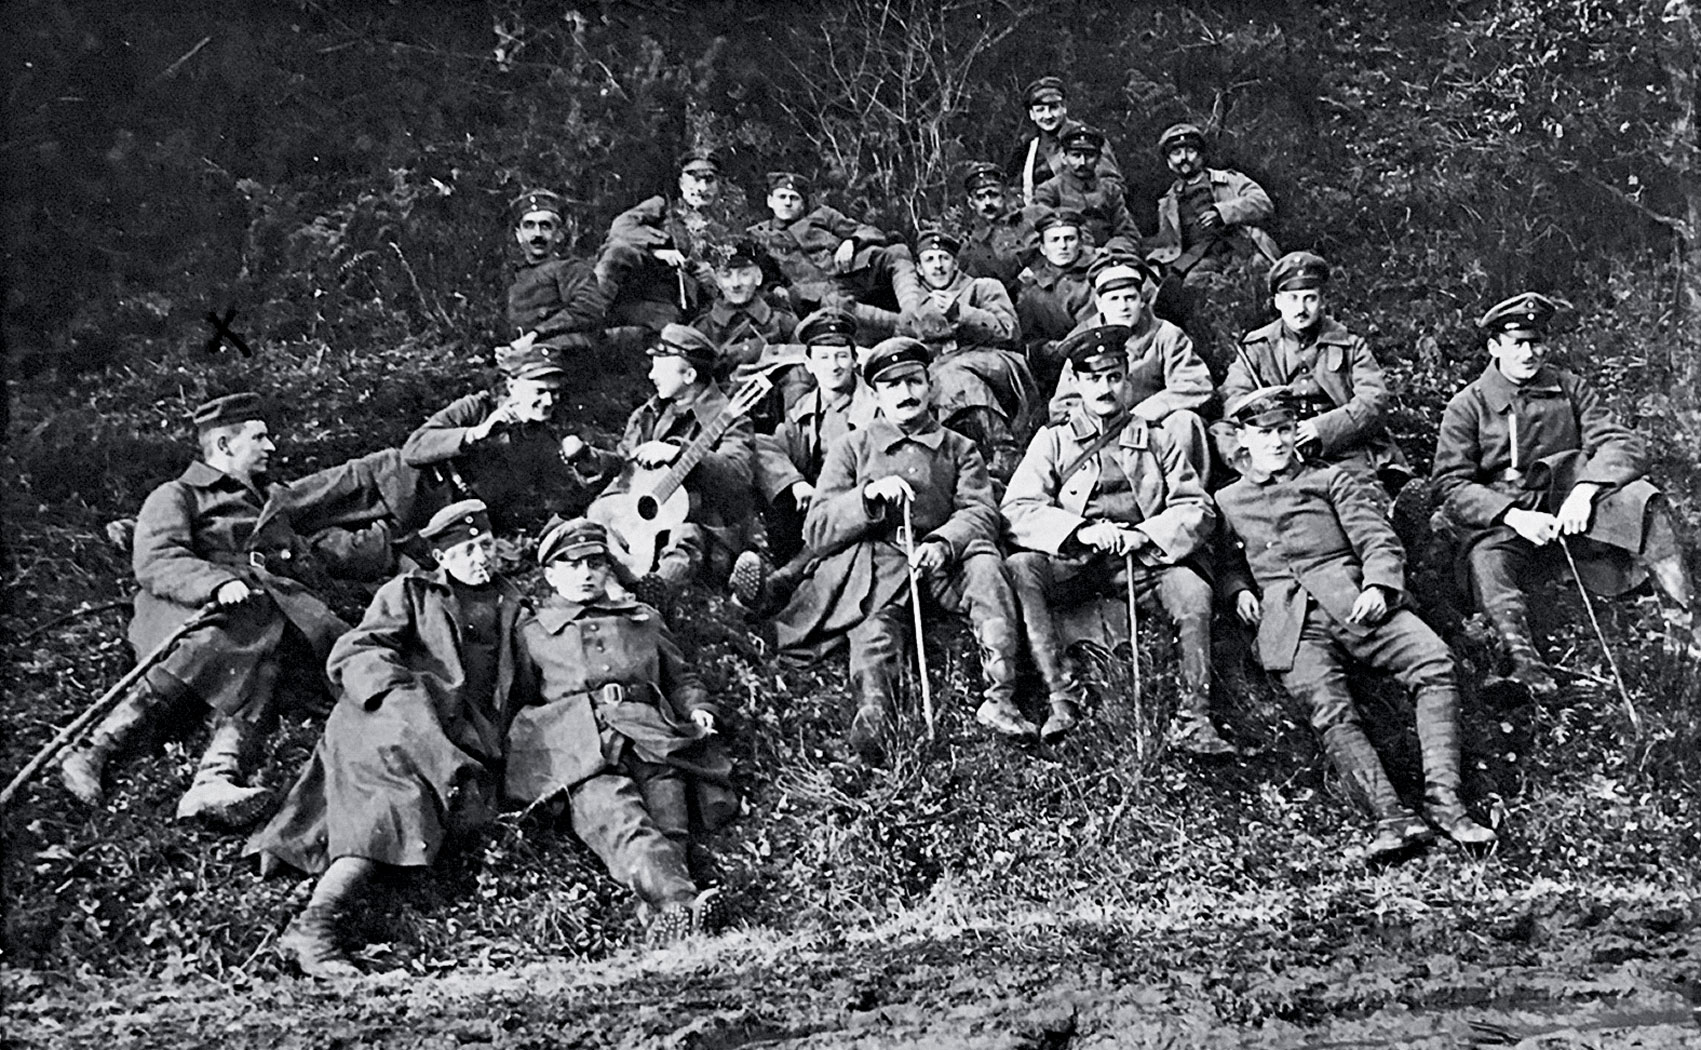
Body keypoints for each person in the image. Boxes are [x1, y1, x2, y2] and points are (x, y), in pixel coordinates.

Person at [250, 499, 535, 978]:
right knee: (394, 795)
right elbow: (358, 648)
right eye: (466, 551)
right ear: (441, 558)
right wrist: (399, 694)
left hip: (460, 735)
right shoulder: (410, 592)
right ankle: (316, 929)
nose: (480, 558)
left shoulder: (516, 607)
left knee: (429, 802)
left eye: (486, 545)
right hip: (388, 716)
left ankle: (317, 918)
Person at [1216, 388, 1497, 859]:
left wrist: (1379, 586)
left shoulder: (1332, 479)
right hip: (1290, 623)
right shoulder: (1228, 500)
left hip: (1354, 601)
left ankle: (1446, 802)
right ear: (1243, 438)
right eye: (1264, 434)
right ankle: (1390, 818)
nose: (1277, 442)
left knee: (1433, 662)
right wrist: (1238, 590)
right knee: (1328, 708)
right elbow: (1226, 562)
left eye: (1284, 430)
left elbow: (1377, 539)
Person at [60, 393, 350, 828]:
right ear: (225, 444)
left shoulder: (270, 502)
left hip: (263, 611)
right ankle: (94, 747)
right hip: (189, 609)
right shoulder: (177, 494)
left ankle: (213, 781)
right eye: (259, 437)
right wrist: (217, 583)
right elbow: (158, 558)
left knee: (268, 663)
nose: (271, 447)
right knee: (224, 640)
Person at [774, 338, 1034, 761]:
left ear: (930, 386)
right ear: (875, 395)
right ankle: (874, 714)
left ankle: (1000, 698)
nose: (905, 393)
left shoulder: (959, 448)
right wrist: (867, 497)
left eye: (913, 381)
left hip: (946, 563)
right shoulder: (852, 448)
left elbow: (980, 512)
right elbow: (817, 528)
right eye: (891, 386)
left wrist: (943, 543)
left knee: (987, 568)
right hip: (882, 561)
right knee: (875, 627)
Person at [1431, 292, 1701, 696]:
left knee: (1645, 502)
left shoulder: (1570, 388)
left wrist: (1585, 490)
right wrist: (1513, 516)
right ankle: (1526, 665)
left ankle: (1687, 628)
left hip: (1570, 502)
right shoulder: (1467, 405)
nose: (1529, 353)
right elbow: (1450, 484)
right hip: (1508, 516)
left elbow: (1621, 442)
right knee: (1486, 561)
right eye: (1518, 343)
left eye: (1537, 342)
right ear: (1494, 347)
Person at [1002, 327, 1232, 753]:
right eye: (1094, 379)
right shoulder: (1054, 439)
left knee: (1193, 590)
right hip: (1076, 563)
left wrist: (1145, 534)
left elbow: (1197, 508)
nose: (1105, 388)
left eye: (1113, 377)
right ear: (1077, 382)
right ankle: (1062, 697)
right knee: (1020, 568)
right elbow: (1017, 508)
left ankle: (1194, 718)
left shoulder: (1158, 437)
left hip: (1143, 563)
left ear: (1127, 380)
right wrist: (1080, 531)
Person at [514, 518, 736, 946]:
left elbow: (681, 677)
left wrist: (699, 709)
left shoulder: (642, 618)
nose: (585, 574)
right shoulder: (533, 632)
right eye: (571, 565)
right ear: (551, 575)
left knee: (671, 828)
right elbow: (515, 698)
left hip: (653, 738)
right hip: (582, 750)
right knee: (625, 826)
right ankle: (682, 905)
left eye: (595, 563)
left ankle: (665, 922)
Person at [564, 325, 756, 593]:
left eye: (660, 368)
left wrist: (679, 453)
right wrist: (591, 459)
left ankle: (657, 593)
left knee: (685, 536)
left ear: (689, 375)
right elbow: (626, 465)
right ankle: (607, 582)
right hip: (644, 526)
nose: (651, 375)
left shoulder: (731, 418)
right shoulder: (650, 412)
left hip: (707, 534)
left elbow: (738, 475)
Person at [1215, 251, 1410, 492]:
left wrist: (1321, 428)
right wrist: (1270, 421)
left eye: (1310, 298)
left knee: (1356, 492)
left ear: (1322, 301)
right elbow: (1234, 397)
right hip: (1277, 440)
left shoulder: (1349, 345)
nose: (1301, 309)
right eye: (1292, 298)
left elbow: (1373, 400)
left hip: (1338, 445)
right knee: (1245, 462)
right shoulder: (1257, 347)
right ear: (1277, 302)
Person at [743, 306, 880, 610]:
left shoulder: (876, 408)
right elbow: (768, 446)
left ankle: (778, 585)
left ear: (855, 359)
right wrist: (794, 482)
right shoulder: (805, 407)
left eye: (841, 356)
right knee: (753, 457)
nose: (834, 366)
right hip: (811, 509)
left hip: (856, 509)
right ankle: (760, 562)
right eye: (824, 357)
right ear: (808, 364)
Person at [1049, 260, 1215, 478]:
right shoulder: (1084, 340)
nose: (1123, 307)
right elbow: (1064, 404)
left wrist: (1151, 409)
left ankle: (1185, 491)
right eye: (1114, 299)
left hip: (1154, 427)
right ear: (1099, 303)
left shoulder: (1166, 334)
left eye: (1130, 298)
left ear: (1142, 300)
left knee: (1185, 421)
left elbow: (1195, 383)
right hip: (1104, 431)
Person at [400, 341, 582, 533]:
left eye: (554, 392)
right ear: (512, 386)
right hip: (410, 505)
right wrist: (475, 433)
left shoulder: (542, 437)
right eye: (540, 391)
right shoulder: (477, 408)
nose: (549, 401)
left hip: (463, 527)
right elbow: (413, 449)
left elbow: (556, 493)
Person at [902, 232, 1036, 487]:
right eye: (930, 260)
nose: (938, 266)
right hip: (943, 373)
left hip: (994, 364)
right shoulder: (915, 306)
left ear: (955, 263)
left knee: (954, 375)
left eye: (944, 258)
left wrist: (960, 312)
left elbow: (1009, 331)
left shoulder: (983, 287)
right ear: (919, 269)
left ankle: (1002, 450)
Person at [745, 171, 926, 338]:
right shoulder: (758, 235)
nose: (787, 203)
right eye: (782, 197)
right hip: (817, 295)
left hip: (852, 273)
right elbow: (762, 277)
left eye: (794, 198)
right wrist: (777, 288)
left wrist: (851, 241)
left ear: (803, 203)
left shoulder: (822, 215)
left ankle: (914, 311)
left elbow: (870, 232)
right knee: (834, 303)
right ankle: (907, 324)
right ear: (770, 201)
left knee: (897, 252)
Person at [597, 149, 740, 332]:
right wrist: (657, 251)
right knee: (618, 251)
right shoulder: (662, 207)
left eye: (709, 180)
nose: (702, 188)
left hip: (673, 306)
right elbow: (621, 227)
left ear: (717, 186)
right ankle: (590, 310)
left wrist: (712, 279)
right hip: (639, 287)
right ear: (681, 183)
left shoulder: (719, 234)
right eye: (695, 179)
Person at [691, 236, 805, 424]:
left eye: (744, 274)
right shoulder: (702, 330)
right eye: (726, 275)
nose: (735, 284)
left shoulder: (783, 322)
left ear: (758, 277)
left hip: (781, 419)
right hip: (725, 423)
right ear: (717, 280)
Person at [1146, 122, 1278, 282]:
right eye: (1176, 153)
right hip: (1202, 258)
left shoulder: (1229, 180)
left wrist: (1222, 213)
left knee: (1260, 271)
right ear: (1169, 162)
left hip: (1242, 249)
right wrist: (1155, 263)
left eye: (1190, 151)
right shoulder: (1168, 204)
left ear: (1201, 155)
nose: (1184, 158)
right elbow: (1167, 245)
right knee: (1191, 283)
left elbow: (1263, 203)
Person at [505, 188, 608, 354]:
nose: (537, 234)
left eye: (545, 226)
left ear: (559, 234)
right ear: (519, 235)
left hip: (568, 355)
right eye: (529, 226)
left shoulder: (571, 268)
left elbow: (587, 309)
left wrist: (535, 335)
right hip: (527, 356)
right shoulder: (515, 278)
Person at [1017, 208, 1098, 394]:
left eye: (1069, 239)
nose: (1063, 246)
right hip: (1059, 372)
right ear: (1043, 248)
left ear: (1080, 243)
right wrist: (1047, 348)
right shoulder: (1033, 290)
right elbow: (1028, 340)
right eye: (1054, 240)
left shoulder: (1099, 275)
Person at [1007, 76, 1123, 206]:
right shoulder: (1027, 145)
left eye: (1053, 108)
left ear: (1064, 108)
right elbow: (1015, 188)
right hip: (1038, 213)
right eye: (1040, 110)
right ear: (1032, 114)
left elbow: (1111, 185)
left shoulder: (1086, 138)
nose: (1047, 116)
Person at [1032, 124, 1139, 252]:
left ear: (1099, 159)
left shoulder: (1111, 191)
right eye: (1076, 155)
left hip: (1108, 256)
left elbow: (1129, 234)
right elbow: (1041, 235)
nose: (1082, 162)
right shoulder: (1050, 191)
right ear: (1064, 158)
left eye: (1089, 156)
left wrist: (1110, 250)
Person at [957, 161, 1041, 302]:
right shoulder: (971, 248)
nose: (988, 203)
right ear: (971, 203)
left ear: (1004, 194)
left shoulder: (1034, 216)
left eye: (993, 195)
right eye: (980, 197)